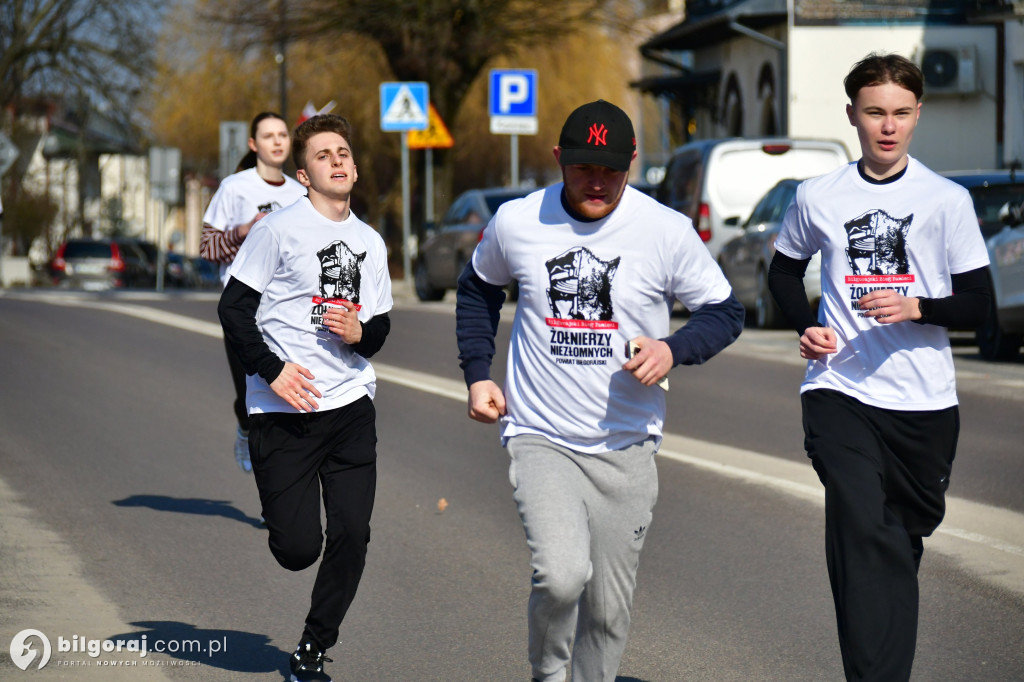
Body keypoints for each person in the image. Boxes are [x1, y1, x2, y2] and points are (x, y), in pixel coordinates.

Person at [456, 100, 744, 682]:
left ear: (632, 162)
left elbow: (725, 310)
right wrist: (478, 373)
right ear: (559, 159)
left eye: (611, 169)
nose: (597, 181)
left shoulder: (665, 230)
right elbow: (478, 289)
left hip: (627, 444)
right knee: (562, 576)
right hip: (543, 437)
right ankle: (548, 672)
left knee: (609, 613)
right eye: (584, 167)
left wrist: (673, 348)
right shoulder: (518, 222)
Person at [768, 53, 992, 681]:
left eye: (899, 113)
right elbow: (783, 272)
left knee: (896, 544)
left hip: (923, 405)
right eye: (874, 113)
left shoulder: (946, 201)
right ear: (852, 116)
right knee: (861, 525)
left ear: (918, 114)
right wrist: (805, 326)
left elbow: (979, 304)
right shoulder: (818, 196)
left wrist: (918, 304)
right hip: (840, 389)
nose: (887, 126)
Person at [218, 113, 392, 682]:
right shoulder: (278, 231)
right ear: (304, 174)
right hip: (283, 411)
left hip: (348, 406)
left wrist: (359, 334)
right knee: (298, 548)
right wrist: (272, 372)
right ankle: (255, 450)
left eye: (343, 152)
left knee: (352, 533)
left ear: (355, 166)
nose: (338, 161)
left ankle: (312, 650)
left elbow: (381, 328)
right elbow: (233, 311)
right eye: (324, 155)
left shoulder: (370, 242)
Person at [202, 112, 307, 473]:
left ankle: (276, 498)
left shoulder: (299, 192)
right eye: (268, 136)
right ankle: (245, 429)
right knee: (250, 400)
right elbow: (207, 247)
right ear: (253, 144)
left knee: (283, 405)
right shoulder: (234, 187)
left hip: (287, 310)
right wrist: (244, 230)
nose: (277, 142)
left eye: (282, 135)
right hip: (244, 309)